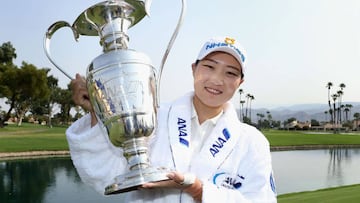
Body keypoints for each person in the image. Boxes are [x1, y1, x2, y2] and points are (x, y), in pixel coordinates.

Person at [66, 36, 277, 202]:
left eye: (230, 73)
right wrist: (96, 112)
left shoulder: (252, 142)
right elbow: (105, 174)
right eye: (209, 67)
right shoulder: (153, 117)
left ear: (240, 82)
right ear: (194, 69)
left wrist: (197, 189)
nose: (217, 79)